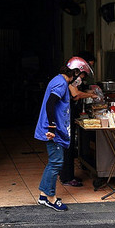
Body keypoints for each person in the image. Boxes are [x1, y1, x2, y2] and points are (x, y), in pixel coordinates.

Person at [34, 62, 80, 212]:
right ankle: (51, 198)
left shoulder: (57, 80)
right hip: (53, 131)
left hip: (54, 129)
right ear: (74, 74)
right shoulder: (61, 84)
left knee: (53, 162)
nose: (79, 79)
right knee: (56, 163)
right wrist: (52, 127)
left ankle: (43, 195)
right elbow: (50, 103)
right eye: (79, 75)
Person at [60, 56, 99, 187]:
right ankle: (67, 177)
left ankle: (65, 174)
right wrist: (91, 95)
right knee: (68, 146)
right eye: (82, 74)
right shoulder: (70, 80)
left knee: (68, 146)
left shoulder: (71, 79)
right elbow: (76, 95)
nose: (83, 77)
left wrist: (89, 92)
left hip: (67, 115)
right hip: (66, 116)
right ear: (77, 70)